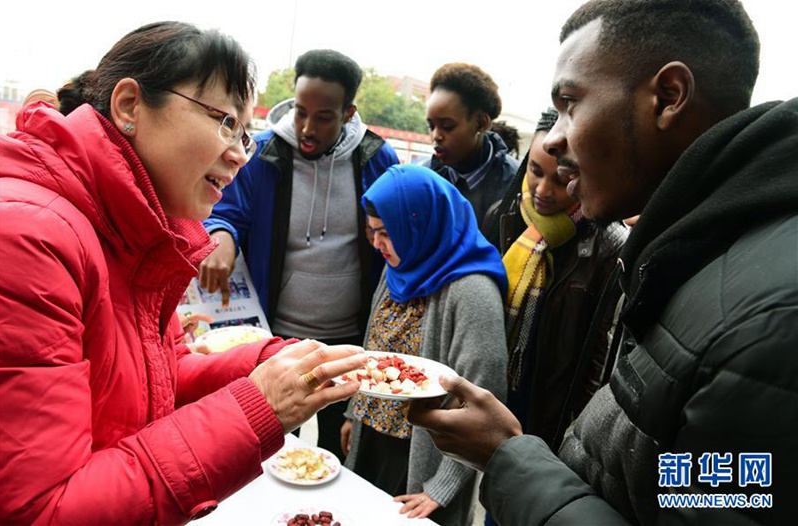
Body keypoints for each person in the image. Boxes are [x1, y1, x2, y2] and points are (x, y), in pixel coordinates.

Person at [408, 0, 798, 524]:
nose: (552, 139)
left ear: (668, 97)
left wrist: (509, 458)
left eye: (570, 102)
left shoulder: (770, 321)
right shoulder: (694, 260)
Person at [0, 22, 367, 525]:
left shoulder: (138, 237)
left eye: (245, 134)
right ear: (130, 106)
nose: (238, 153)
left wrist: (274, 361)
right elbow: (41, 511)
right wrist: (257, 407)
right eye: (223, 122)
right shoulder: (28, 239)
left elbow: (162, 377)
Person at [200, 49, 399, 461]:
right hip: (275, 339)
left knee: (332, 457)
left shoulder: (376, 158)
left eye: (324, 117)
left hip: (348, 343)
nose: (307, 127)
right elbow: (226, 210)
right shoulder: (263, 153)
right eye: (300, 111)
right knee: (263, 450)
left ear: (348, 113)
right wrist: (220, 235)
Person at [340, 163, 508, 525]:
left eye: (386, 232)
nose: (375, 243)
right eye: (372, 231)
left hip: (421, 463)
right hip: (373, 440)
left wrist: (441, 486)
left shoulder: (472, 291)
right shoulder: (397, 269)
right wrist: (356, 413)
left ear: (418, 225)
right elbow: (375, 346)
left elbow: (485, 396)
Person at [498, 107, 627, 448]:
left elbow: (600, 361)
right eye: (534, 171)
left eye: (560, 179)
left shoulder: (609, 247)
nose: (541, 190)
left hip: (552, 407)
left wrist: (578, 435)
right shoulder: (506, 216)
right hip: (499, 386)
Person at [424, 63, 518, 248]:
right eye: (431, 126)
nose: (436, 136)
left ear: (481, 123)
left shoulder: (516, 185)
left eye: (447, 126)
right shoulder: (422, 178)